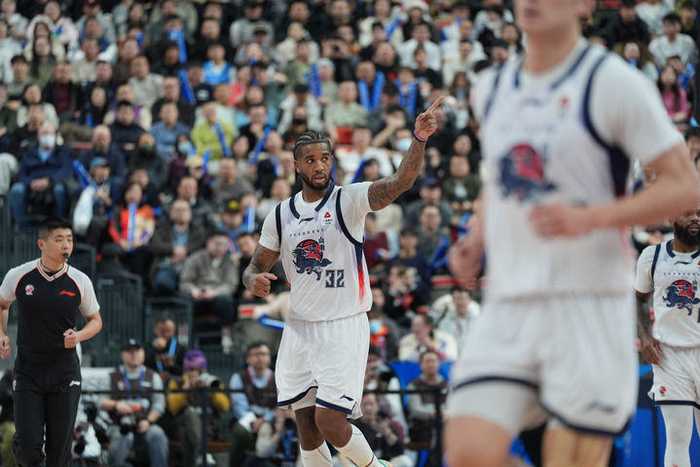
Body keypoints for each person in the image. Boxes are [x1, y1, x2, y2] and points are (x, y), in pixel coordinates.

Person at [445, 1, 700, 466]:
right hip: (512, 299)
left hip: (587, 300)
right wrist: (477, 237)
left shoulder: (614, 82)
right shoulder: (491, 87)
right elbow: (500, 178)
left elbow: (685, 185)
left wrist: (593, 218)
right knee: (467, 452)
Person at [242, 96, 443, 467]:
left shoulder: (348, 200)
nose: (319, 166)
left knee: (330, 421)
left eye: (325, 158)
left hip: (343, 324)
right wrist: (253, 279)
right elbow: (255, 264)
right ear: (296, 165)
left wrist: (418, 139)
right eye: (310, 160)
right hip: (300, 328)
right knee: (306, 427)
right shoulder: (281, 215)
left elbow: (401, 181)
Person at [0, 218, 103, 467]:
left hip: (64, 371)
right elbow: (2, 304)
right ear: (41, 244)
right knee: (28, 450)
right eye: (59, 240)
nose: (66, 245)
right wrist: (2, 333)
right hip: (28, 370)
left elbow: (96, 321)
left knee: (59, 454)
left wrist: (78, 336)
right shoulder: (19, 275)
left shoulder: (80, 280)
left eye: (69, 239)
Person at [635, 206, 700, 467]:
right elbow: (638, 299)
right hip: (669, 355)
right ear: (672, 217)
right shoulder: (652, 256)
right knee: (677, 437)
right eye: (689, 213)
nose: (696, 218)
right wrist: (644, 336)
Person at [99, 338, 169, 467]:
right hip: (120, 425)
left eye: (137, 351)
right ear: (122, 355)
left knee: (158, 435)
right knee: (123, 438)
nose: (134, 354)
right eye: (129, 351)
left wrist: (148, 421)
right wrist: (116, 405)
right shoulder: (112, 376)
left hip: (145, 424)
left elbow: (159, 405)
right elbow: (100, 401)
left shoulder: (153, 376)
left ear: (143, 353)